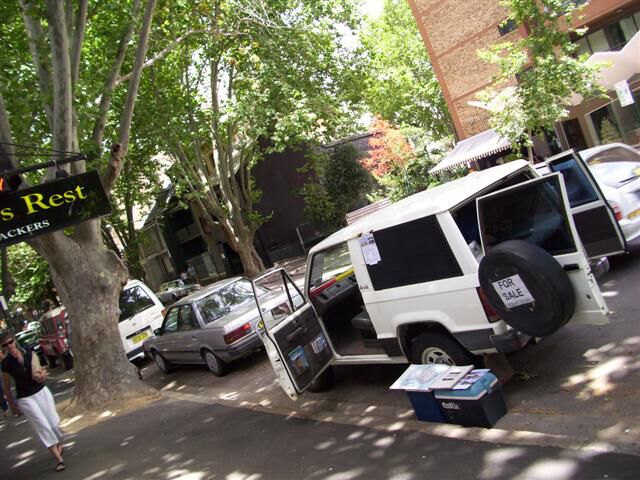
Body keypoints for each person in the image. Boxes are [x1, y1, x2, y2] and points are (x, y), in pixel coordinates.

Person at [1, 331, 65, 472]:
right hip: (25, 398)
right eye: (5, 345)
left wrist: (43, 374)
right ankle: (59, 459)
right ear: (3, 347)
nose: (9, 346)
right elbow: (6, 387)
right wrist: (12, 406)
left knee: (53, 423)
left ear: (14, 341)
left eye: (10, 342)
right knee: (42, 426)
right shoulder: (6, 364)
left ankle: (57, 443)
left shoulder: (28, 352)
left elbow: (41, 369)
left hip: (41, 392)